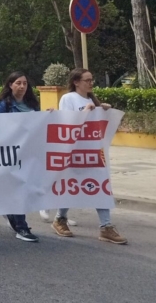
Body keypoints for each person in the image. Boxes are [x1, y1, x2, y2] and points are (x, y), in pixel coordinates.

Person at [52, 68, 127, 245]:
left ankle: (106, 226)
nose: (91, 83)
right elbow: (67, 123)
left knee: (101, 185)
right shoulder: (68, 98)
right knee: (71, 185)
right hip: (74, 151)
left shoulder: (92, 100)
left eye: (92, 80)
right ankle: (59, 218)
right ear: (76, 82)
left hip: (93, 152)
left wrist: (104, 111)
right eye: (87, 80)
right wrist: (86, 111)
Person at [0, 72, 41, 242]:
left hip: (29, 153)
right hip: (10, 154)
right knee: (19, 188)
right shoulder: (2, 105)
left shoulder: (32, 104)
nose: (22, 86)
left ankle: (13, 215)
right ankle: (21, 227)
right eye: (18, 83)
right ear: (10, 85)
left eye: (25, 83)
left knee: (23, 189)